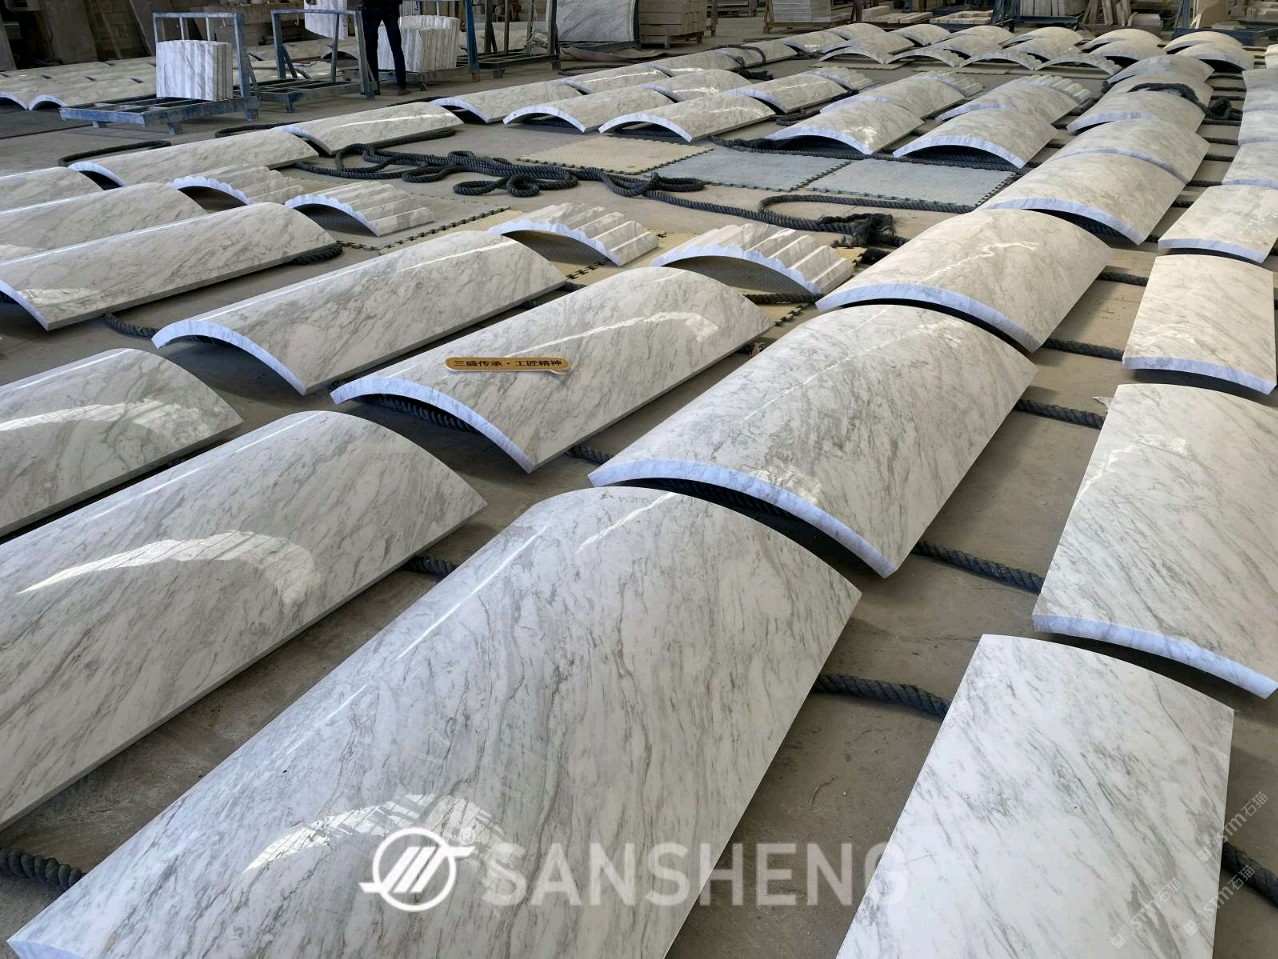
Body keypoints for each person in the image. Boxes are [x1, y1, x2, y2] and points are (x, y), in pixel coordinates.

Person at [360, 0, 409, 95]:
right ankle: (401, 85)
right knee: (396, 46)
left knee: (371, 47)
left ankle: (373, 86)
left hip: (372, 5)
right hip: (391, 5)